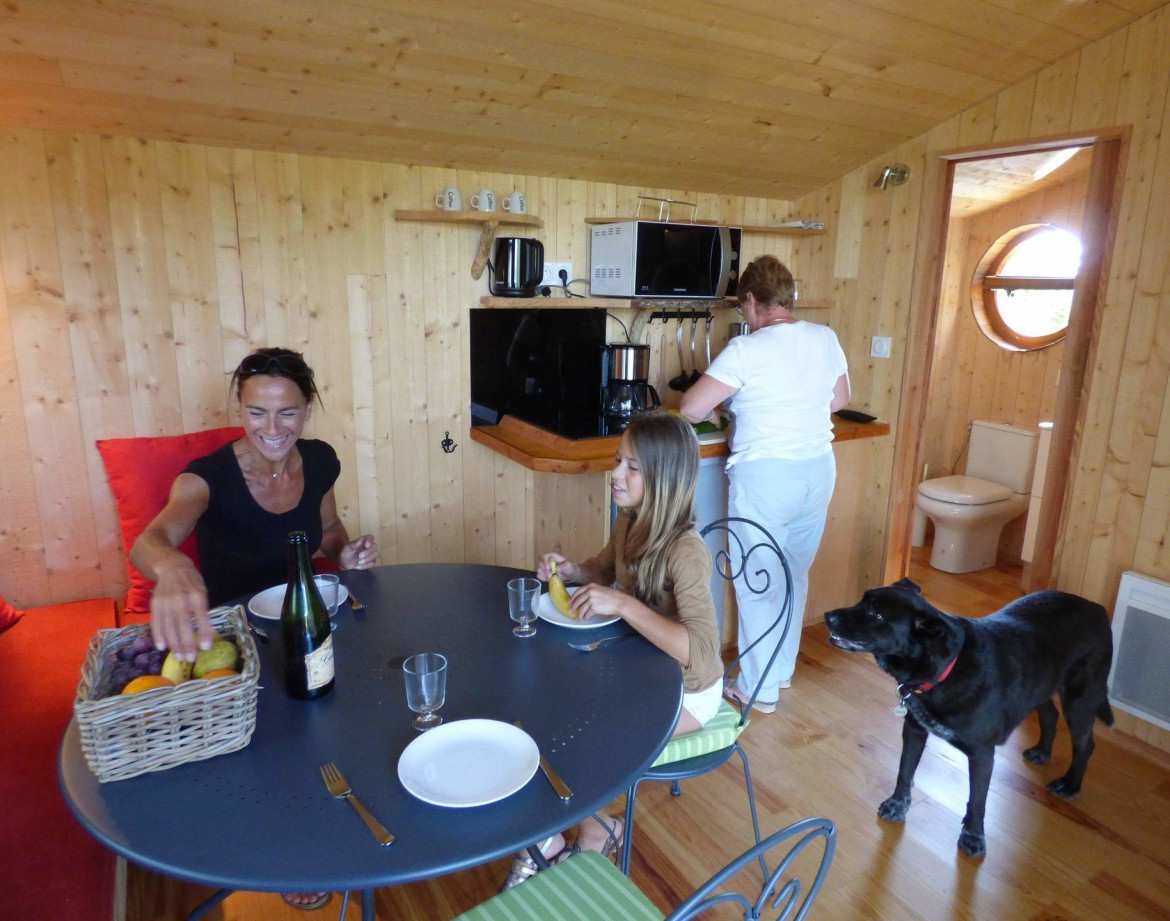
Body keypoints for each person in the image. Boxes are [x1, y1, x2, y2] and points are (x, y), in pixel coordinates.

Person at [131, 347, 378, 913]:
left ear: (307, 408)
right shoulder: (206, 479)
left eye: (286, 413)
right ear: (240, 409)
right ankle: (283, 852)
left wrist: (349, 553)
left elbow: (329, 530)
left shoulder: (318, 461)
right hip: (237, 639)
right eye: (256, 413)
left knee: (346, 714)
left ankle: (339, 821)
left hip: (306, 617)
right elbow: (151, 541)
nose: (272, 428)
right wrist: (171, 568)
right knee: (271, 744)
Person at [503, 411, 722, 889]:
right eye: (617, 461)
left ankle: (592, 832)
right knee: (552, 705)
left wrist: (623, 604)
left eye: (632, 468)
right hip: (640, 667)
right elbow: (604, 569)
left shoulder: (686, 551)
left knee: (590, 738)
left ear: (663, 478)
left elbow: (702, 654)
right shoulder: (629, 520)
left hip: (687, 691)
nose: (615, 475)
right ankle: (560, 831)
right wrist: (574, 571)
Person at [681, 255, 849, 715]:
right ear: (789, 298)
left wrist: (734, 407)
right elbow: (840, 399)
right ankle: (779, 672)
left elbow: (692, 408)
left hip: (766, 476)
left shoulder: (747, 350)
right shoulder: (824, 337)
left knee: (759, 581)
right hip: (817, 469)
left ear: (752, 301)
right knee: (793, 573)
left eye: (744, 309)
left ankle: (756, 688)